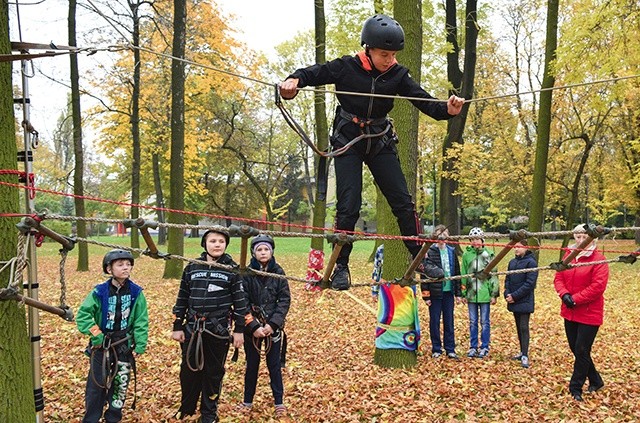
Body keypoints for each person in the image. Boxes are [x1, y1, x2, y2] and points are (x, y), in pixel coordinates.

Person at [279, 14, 465, 290]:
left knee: (402, 200)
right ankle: (341, 266)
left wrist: (448, 110)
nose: (389, 59)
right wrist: (292, 82)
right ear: (368, 49)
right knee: (348, 205)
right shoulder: (346, 67)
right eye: (384, 54)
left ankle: (420, 259)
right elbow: (312, 74)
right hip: (347, 140)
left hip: (379, 140)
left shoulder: (398, 75)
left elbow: (425, 102)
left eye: (392, 55)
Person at [171, 229, 247, 423]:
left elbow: (240, 303)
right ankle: (187, 408)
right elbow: (182, 297)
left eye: (221, 241)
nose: (217, 244)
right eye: (213, 241)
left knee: (213, 372)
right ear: (205, 244)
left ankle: (208, 413)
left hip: (217, 329)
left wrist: (239, 330)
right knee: (188, 371)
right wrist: (177, 324)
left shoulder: (233, 269)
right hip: (192, 327)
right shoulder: (192, 267)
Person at [76, 249, 149, 423]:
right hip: (101, 346)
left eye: (128, 264)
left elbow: (141, 319)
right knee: (96, 385)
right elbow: (83, 316)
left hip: (123, 345)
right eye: (120, 264)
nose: (126, 268)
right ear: (109, 269)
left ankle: (113, 418)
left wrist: (140, 343)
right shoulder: (99, 292)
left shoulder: (136, 293)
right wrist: (97, 336)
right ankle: (91, 418)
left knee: (120, 384)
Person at [554, 224, 608, 401]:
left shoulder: (599, 259)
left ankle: (575, 387)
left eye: (584, 236)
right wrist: (565, 295)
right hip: (570, 311)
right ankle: (596, 379)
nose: (580, 240)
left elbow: (597, 287)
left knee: (582, 349)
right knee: (576, 349)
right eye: (577, 236)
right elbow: (559, 277)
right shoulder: (569, 257)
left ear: (592, 238)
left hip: (589, 313)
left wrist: (576, 298)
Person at [239, 235, 291, 417]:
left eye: (266, 249)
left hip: (272, 327)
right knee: (251, 365)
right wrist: (253, 325)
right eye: (259, 249)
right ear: (254, 252)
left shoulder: (278, 272)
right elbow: (242, 300)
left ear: (271, 251)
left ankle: (279, 402)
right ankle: (247, 401)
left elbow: (284, 300)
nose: (263, 252)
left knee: (274, 366)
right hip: (252, 327)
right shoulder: (246, 273)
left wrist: (273, 324)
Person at [421, 225, 462, 359]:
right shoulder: (430, 251)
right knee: (435, 321)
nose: (442, 239)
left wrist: (458, 294)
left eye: (444, 236)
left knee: (449, 321)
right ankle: (436, 348)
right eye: (439, 236)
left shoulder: (451, 251)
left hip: (448, 292)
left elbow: (457, 272)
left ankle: (450, 348)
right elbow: (424, 274)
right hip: (435, 293)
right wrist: (426, 296)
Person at [461, 227, 499, 358]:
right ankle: (473, 346)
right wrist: (463, 293)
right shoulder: (467, 255)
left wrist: (494, 294)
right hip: (471, 294)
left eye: (477, 239)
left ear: (482, 239)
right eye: (472, 239)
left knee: (485, 321)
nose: (475, 242)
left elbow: (494, 275)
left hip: (485, 293)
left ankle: (485, 346)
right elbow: (464, 274)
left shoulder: (489, 254)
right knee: (472, 321)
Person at [503, 240, 538, 368]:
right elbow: (508, 279)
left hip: (524, 300)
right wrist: (507, 293)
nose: (516, 249)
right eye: (515, 247)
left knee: (524, 327)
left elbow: (530, 284)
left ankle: (525, 354)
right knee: (518, 326)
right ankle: (522, 350)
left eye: (519, 247)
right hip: (513, 299)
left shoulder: (531, 263)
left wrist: (515, 296)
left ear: (526, 247)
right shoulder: (512, 262)